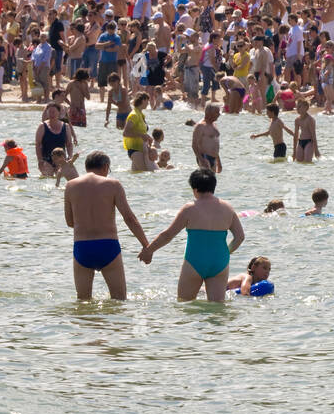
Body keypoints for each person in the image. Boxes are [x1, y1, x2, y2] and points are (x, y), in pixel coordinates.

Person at [139, 168, 245, 301]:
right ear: (213, 187)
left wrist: (149, 250)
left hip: (194, 261)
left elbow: (168, 235)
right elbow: (240, 237)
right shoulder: (228, 208)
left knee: (184, 304)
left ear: (195, 189)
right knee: (217, 310)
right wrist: (227, 252)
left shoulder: (190, 208)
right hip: (220, 261)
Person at [65, 151, 149, 301]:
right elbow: (129, 218)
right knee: (119, 300)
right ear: (105, 167)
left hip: (82, 247)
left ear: (86, 167)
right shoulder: (113, 185)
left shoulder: (71, 186)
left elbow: (70, 222)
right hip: (108, 246)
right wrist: (145, 245)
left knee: (83, 302)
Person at [122, 91, 152, 172]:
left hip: (141, 148)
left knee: (137, 175)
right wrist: (141, 135)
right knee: (145, 173)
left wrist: (147, 137)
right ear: (143, 100)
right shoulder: (134, 115)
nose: (148, 103)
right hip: (135, 150)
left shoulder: (141, 114)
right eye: (147, 101)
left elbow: (141, 131)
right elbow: (125, 133)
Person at [193, 102, 223, 170]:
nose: (219, 114)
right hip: (205, 157)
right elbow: (194, 145)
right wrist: (201, 160)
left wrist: (219, 161)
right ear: (209, 113)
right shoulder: (200, 126)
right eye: (217, 112)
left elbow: (215, 143)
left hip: (214, 158)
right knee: (206, 179)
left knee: (213, 180)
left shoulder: (214, 125)